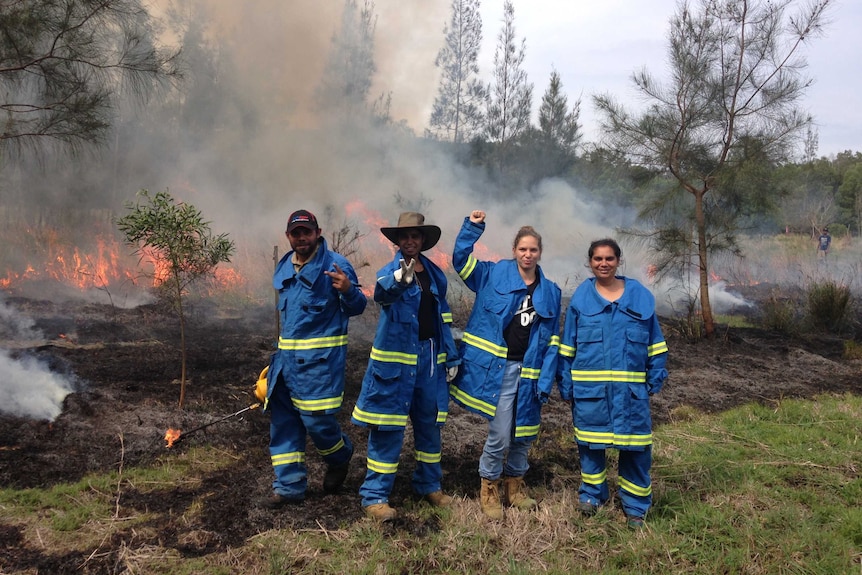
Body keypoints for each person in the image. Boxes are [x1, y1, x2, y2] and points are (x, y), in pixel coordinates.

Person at [450, 210, 561, 520]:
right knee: (500, 433)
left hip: (530, 373)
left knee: (524, 433)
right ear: (514, 250)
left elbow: (551, 340)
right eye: (522, 249)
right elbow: (460, 260)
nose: (528, 254)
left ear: (540, 252)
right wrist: (472, 228)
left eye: (533, 249)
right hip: (499, 371)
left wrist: (546, 379)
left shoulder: (550, 291)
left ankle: (515, 485)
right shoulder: (492, 274)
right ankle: (488, 486)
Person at [351, 212, 461, 522]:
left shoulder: (436, 275)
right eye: (404, 237)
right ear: (398, 241)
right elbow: (383, 293)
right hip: (396, 364)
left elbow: (443, 318)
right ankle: (374, 497)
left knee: (430, 426)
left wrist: (450, 356)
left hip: (429, 361)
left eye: (415, 236)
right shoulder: (391, 271)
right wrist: (401, 279)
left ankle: (429, 486)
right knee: (387, 429)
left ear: (423, 240)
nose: (410, 241)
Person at [557, 239, 668, 529]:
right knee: (591, 447)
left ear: (618, 261)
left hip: (631, 395)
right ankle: (593, 495)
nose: (603, 263)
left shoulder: (640, 298)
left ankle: (635, 506)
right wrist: (566, 383)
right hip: (591, 395)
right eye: (597, 259)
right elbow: (567, 347)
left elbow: (655, 343)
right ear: (589, 262)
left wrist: (655, 375)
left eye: (608, 258)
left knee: (635, 449)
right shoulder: (580, 300)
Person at [261, 209, 367, 508]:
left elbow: (358, 306)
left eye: (307, 232)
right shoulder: (284, 267)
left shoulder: (335, 265)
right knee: (283, 424)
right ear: (289, 237)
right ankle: (289, 487)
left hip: (319, 366)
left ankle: (340, 456)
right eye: (296, 233)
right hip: (285, 365)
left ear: (317, 233)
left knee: (317, 423)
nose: (301, 238)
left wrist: (347, 290)